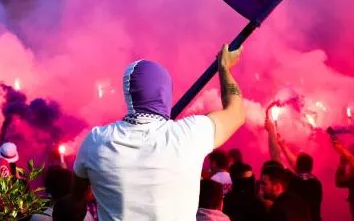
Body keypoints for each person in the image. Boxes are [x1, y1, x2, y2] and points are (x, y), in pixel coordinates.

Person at [71, 45, 245, 220]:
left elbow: (77, 192)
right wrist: (224, 68)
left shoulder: (96, 141)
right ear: (165, 92)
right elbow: (236, 112)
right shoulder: (189, 135)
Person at [265, 114, 322, 221]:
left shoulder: (294, 181)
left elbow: (276, 156)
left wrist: (271, 131)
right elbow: (295, 164)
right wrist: (283, 145)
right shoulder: (316, 183)